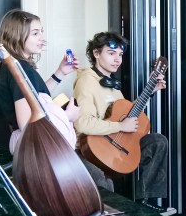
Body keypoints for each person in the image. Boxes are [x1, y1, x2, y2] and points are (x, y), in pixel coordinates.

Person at [0, 9, 111, 188]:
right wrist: (67, 116)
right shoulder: (19, 70)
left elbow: (34, 99)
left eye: (41, 31)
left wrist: (60, 72)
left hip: (35, 148)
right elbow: (27, 124)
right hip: (39, 149)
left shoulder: (17, 67)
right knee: (99, 183)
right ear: (16, 35)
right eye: (35, 33)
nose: (42, 37)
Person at [72, 31, 169, 200]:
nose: (117, 59)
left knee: (158, 142)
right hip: (91, 149)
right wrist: (120, 126)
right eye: (111, 53)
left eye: (120, 54)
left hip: (114, 144)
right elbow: (82, 123)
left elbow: (125, 114)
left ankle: (146, 200)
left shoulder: (112, 86)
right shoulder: (87, 81)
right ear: (96, 53)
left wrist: (150, 91)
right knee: (104, 182)